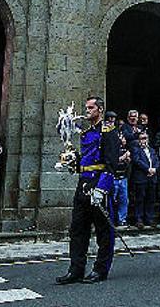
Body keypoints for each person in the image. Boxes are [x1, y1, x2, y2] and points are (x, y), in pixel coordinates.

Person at [56, 97, 120, 284]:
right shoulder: (86, 132)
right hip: (83, 184)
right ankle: (76, 269)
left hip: (98, 184)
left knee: (103, 231)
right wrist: (73, 162)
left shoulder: (109, 132)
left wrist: (101, 189)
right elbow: (87, 159)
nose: (87, 110)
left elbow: (111, 163)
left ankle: (100, 270)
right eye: (86, 107)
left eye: (90, 108)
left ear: (100, 109)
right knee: (77, 229)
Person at [130, 132, 159, 229]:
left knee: (150, 199)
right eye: (142, 138)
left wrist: (154, 169)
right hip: (141, 178)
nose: (144, 140)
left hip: (152, 178)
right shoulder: (136, 150)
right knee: (140, 199)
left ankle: (149, 218)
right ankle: (139, 219)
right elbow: (137, 161)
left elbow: (156, 160)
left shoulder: (152, 150)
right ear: (138, 140)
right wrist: (148, 169)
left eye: (145, 138)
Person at [111, 130, 131, 227]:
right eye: (121, 138)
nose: (123, 140)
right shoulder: (112, 149)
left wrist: (127, 160)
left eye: (124, 138)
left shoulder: (125, 149)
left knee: (124, 200)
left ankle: (122, 219)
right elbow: (112, 161)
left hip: (123, 178)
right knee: (112, 200)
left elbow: (127, 165)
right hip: (114, 178)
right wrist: (123, 157)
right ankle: (111, 220)